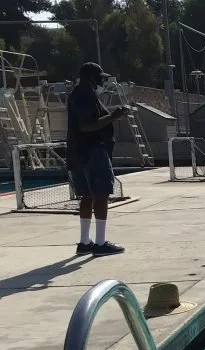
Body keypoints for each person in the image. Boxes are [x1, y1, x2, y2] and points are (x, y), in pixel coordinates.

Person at [67, 62, 128, 257]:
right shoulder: (85, 95)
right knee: (101, 194)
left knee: (88, 195)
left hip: (78, 153)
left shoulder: (77, 94)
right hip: (92, 151)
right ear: (91, 78)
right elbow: (87, 126)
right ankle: (100, 243)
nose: (102, 81)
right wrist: (113, 116)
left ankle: (85, 242)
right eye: (100, 78)